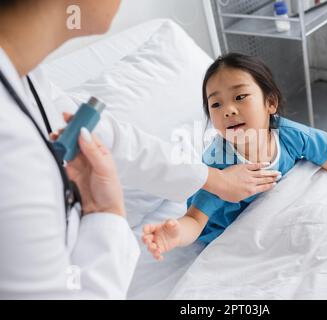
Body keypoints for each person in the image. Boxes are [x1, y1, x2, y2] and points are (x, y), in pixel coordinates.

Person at [0, 1, 278, 299]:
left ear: (270, 103)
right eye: (216, 104)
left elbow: (114, 138)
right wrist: (106, 215)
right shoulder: (10, 148)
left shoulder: (28, 81)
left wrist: (213, 179)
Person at [142, 53, 327, 261]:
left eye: (239, 97)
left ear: (270, 103)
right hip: (227, 231)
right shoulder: (219, 163)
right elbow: (196, 220)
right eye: (216, 104)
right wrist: (176, 233)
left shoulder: (288, 134)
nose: (228, 110)